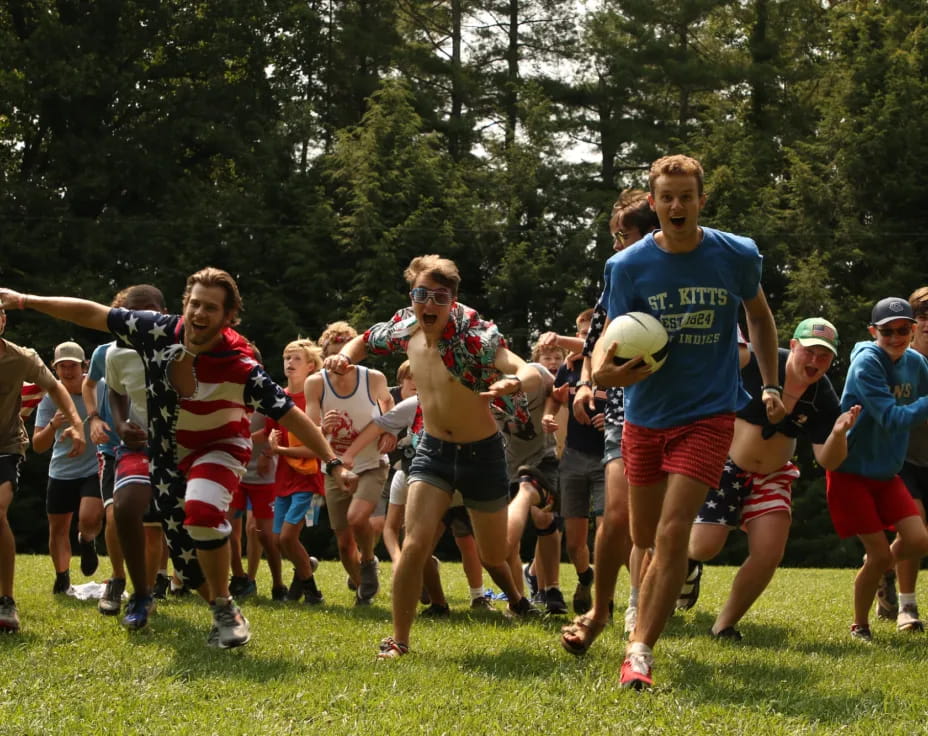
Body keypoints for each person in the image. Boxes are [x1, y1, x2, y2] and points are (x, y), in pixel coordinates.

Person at [0, 268, 356, 648]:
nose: (200, 314)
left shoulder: (241, 365)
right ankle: (223, 606)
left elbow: (291, 416)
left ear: (228, 317)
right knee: (186, 561)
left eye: (211, 308)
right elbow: (91, 313)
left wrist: (333, 463)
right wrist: (25, 300)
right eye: (195, 304)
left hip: (219, 448)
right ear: (184, 305)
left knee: (203, 512)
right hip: (166, 453)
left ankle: (221, 608)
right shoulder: (155, 331)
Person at [590, 155, 785, 689]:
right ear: (652, 204)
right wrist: (604, 375)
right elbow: (610, 340)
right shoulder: (627, 267)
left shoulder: (735, 254)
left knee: (675, 533)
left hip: (709, 413)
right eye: (667, 197)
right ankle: (626, 610)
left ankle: (640, 651)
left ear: (701, 200)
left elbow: (760, 317)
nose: (677, 205)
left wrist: (770, 384)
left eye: (686, 196)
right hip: (646, 415)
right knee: (645, 534)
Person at [325, 254, 542, 658]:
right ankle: (399, 641)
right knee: (415, 543)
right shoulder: (405, 328)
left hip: (483, 454)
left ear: (452, 300)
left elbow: (525, 368)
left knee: (494, 554)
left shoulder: (475, 336)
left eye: (439, 297)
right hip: (434, 449)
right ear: (412, 298)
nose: (429, 304)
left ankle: (518, 582)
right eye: (421, 295)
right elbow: (365, 339)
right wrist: (346, 357)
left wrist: (513, 382)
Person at [680, 318, 860, 639]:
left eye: (825, 356)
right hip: (726, 466)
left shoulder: (822, 394)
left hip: (773, 474)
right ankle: (688, 563)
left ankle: (724, 625)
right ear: (793, 346)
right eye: (810, 352)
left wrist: (838, 433)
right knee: (704, 546)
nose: (815, 362)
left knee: (769, 551)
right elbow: (726, 356)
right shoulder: (760, 361)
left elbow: (827, 459)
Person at [560, 190, 658, 655]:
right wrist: (584, 383)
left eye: (625, 236)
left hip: (684, 412)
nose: (618, 246)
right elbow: (594, 340)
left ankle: (644, 601)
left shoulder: (691, 273)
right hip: (625, 410)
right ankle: (605, 610)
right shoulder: (615, 277)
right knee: (615, 516)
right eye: (615, 236)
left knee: (654, 528)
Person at [825, 297, 928, 642]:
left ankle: (875, 570)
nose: (897, 337)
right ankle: (860, 625)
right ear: (873, 332)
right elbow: (892, 418)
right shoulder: (866, 365)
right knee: (880, 553)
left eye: (903, 330)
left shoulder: (915, 363)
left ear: (913, 330)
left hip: (886, 472)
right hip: (851, 472)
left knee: (918, 540)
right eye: (887, 332)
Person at [0, 308, 85, 632]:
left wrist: (76, 424)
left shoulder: (22, 358)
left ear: (3, 321)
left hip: (5, 445)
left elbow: (54, 387)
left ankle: (6, 601)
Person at [306, 328, 393, 605]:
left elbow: (388, 405)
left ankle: (368, 561)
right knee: (344, 544)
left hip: (371, 462)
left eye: (346, 349)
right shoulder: (315, 383)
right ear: (326, 354)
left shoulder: (373, 378)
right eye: (334, 350)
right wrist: (323, 427)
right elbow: (311, 429)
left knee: (359, 519)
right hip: (334, 466)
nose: (340, 357)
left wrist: (392, 431)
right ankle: (361, 588)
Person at [541, 308, 606, 615]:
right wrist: (548, 415)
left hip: (610, 458)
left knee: (610, 533)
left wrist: (615, 416)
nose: (583, 339)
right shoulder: (569, 369)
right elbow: (555, 396)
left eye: (589, 333)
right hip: (574, 458)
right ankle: (585, 578)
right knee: (574, 542)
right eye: (580, 333)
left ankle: (611, 599)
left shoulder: (618, 364)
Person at [33, 342, 102, 594]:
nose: (67, 371)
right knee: (59, 529)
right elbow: (38, 445)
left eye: (72, 365)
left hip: (95, 466)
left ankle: (87, 539)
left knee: (89, 517)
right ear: (55, 369)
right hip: (61, 471)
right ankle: (62, 577)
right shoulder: (51, 397)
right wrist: (53, 425)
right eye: (62, 366)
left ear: (84, 366)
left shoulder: (99, 388)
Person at [263, 339, 326, 605]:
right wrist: (268, 450)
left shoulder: (314, 399)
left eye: (296, 358)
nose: (289, 363)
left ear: (311, 366)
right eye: (286, 357)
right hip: (283, 479)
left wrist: (279, 452)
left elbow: (316, 448)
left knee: (289, 537)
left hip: (308, 479)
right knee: (278, 541)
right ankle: (305, 570)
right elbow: (270, 434)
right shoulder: (278, 398)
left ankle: (312, 591)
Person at [893, 287, 928, 631]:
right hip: (901, 459)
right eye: (922, 314)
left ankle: (877, 564)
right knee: (917, 531)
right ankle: (907, 606)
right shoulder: (897, 358)